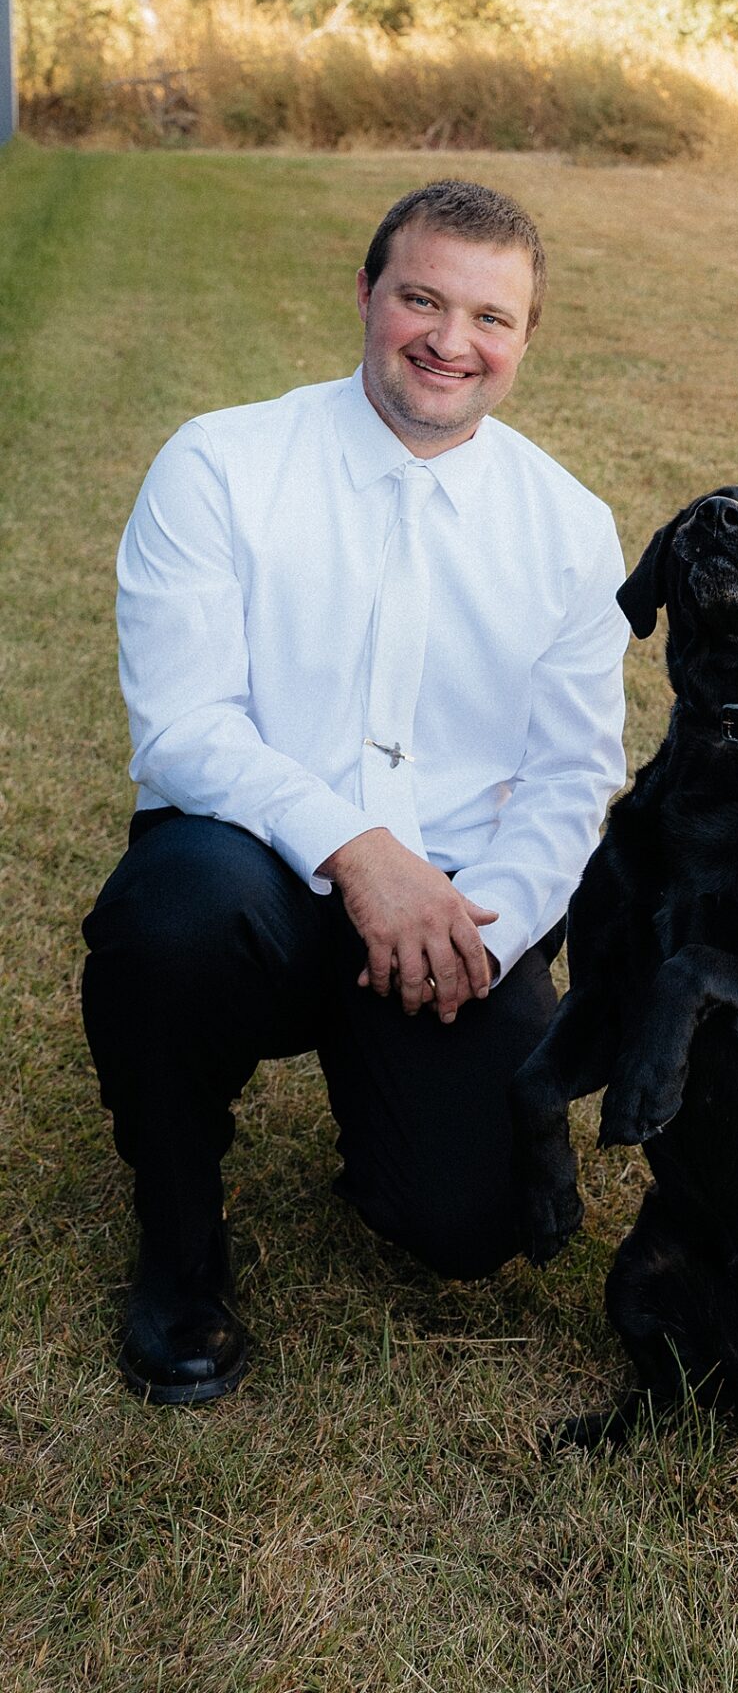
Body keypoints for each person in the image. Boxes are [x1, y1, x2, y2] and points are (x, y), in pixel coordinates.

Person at [82, 178, 627, 1406]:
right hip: (251, 873)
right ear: (367, 295)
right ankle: (178, 1249)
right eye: (421, 298)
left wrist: (481, 932)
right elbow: (186, 728)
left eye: (491, 317)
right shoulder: (222, 463)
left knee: (467, 1225)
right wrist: (358, 851)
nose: (450, 340)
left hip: (459, 903)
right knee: (167, 927)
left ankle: (404, 1095)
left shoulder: (569, 527)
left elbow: (574, 774)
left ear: (526, 339)